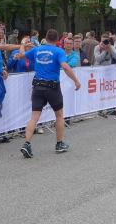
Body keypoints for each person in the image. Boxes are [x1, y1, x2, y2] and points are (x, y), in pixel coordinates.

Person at [20, 29, 81, 158]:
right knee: (59, 115)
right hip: (52, 87)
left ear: (46, 38)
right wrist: (76, 81)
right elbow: (65, 66)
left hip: (37, 86)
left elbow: (22, 55)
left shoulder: (37, 50)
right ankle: (59, 144)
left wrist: (22, 45)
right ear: (57, 39)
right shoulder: (59, 51)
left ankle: (27, 143)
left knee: (34, 117)